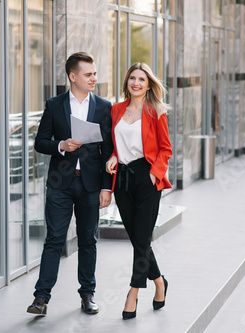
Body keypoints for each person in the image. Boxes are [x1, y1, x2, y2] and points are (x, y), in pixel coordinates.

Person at [27, 52, 113, 315]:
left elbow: (110, 150)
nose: (94, 79)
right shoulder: (54, 105)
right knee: (54, 240)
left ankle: (87, 295)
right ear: (72, 76)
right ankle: (41, 299)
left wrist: (107, 187)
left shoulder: (103, 106)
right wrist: (61, 145)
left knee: (88, 240)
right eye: (88, 74)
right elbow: (40, 142)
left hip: (90, 185)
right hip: (60, 184)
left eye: (95, 74)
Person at [105, 62, 173, 319]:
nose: (136, 83)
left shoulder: (155, 111)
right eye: (132, 78)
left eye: (141, 79)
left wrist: (153, 174)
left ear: (148, 84)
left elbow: (165, 149)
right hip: (122, 180)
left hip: (147, 179)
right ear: (127, 82)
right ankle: (159, 282)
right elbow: (115, 142)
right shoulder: (116, 110)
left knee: (141, 239)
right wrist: (113, 155)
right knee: (138, 239)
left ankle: (133, 291)